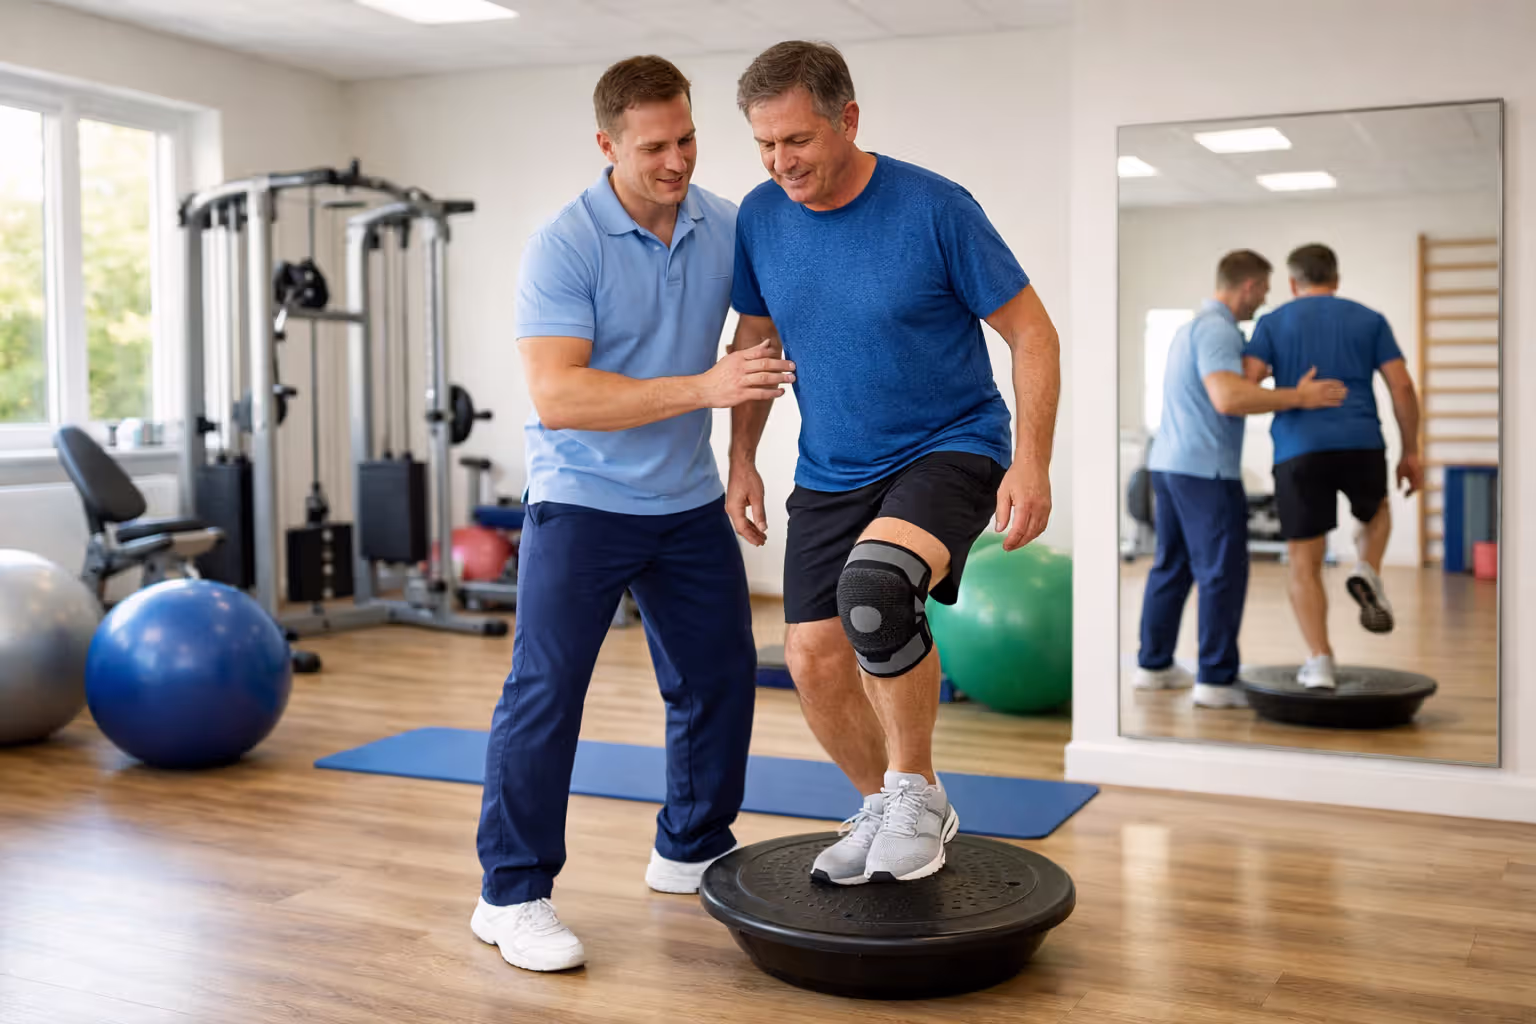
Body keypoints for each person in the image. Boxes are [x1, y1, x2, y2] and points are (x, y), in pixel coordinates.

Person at [470, 55, 796, 973]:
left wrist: (739, 460)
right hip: (581, 499)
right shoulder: (564, 244)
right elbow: (560, 395)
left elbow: (758, 340)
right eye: (655, 146)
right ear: (607, 144)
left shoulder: (727, 226)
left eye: (688, 138)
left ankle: (690, 847)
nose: (677, 161)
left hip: (687, 497)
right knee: (545, 695)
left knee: (721, 676)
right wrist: (703, 386)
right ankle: (511, 894)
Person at [725, 40, 1059, 886]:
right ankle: (892, 804)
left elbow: (1031, 332)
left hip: (950, 442)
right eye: (764, 144)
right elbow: (756, 345)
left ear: (849, 118)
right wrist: (741, 458)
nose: (780, 162)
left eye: (796, 139)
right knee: (811, 656)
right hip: (833, 465)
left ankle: (912, 786)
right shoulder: (761, 218)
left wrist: (1031, 462)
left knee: (875, 592)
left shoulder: (936, 207)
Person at [1134, 250, 1348, 709]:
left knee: (1171, 567)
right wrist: (1300, 397)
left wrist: (1261, 380)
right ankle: (1214, 680)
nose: (1263, 301)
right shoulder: (1218, 330)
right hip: (1205, 471)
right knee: (1222, 573)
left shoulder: (1190, 328)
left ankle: (1153, 666)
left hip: (1169, 465)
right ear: (1248, 286)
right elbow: (1228, 398)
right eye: (1263, 292)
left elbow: (1223, 387)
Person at [1243, 243, 1423, 690]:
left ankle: (1320, 661)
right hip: (1361, 441)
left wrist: (1281, 380)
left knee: (1304, 561)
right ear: (1336, 278)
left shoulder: (1273, 322)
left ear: (1292, 282)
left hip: (1298, 450)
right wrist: (1411, 450)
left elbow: (1245, 384)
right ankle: (1368, 567)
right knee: (1375, 512)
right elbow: (1401, 387)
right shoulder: (1369, 319)